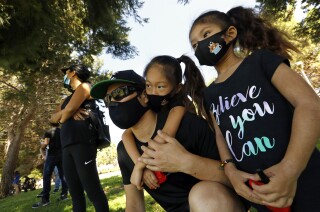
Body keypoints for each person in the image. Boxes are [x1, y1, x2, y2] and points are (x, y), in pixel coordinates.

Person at [185, 6, 320, 211]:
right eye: (195, 45)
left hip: (307, 177)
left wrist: (290, 169)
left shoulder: (260, 61)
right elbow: (221, 136)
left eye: (205, 35)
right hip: (260, 193)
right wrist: (230, 170)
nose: (200, 46)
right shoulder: (209, 94)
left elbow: (309, 104)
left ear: (230, 34)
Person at [90, 70, 245, 212]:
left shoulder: (187, 125)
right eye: (107, 100)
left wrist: (186, 163)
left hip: (219, 204)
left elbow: (234, 177)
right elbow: (134, 206)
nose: (113, 103)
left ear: (144, 96)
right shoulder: (125, 150)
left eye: (119, 93)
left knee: (202, 195)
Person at [125, 55, 209, 190]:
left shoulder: (179, 104)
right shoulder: (148, 102)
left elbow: (166, 134)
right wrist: (140, 166)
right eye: (148, 85)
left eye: (161, 87)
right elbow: (126, 135)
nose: (153, 92)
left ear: (177, 89)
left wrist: (140, 166)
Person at [50, 64, 109, 212]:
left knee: (92, 190)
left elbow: (66, 112)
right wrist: (68, 112)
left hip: (83, 142)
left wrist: (65, 116)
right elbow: (52, 118)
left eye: (66, 72)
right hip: (66, 146)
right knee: (75, 193)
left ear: (73, 73)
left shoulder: (85, 86)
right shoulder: (65, 100)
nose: (65, 76)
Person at [32, 123, 68, 208]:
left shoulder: (49, 131)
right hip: (62, 155)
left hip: (52, 156)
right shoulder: (62, 131)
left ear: (51, 123)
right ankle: (64, 195)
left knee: (46, 176)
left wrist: (42, 147)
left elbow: (46, 143)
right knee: (63, 175)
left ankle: (45, 200)